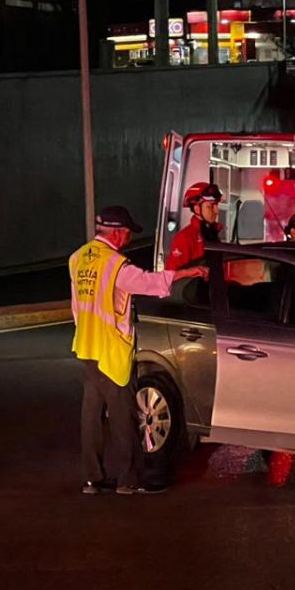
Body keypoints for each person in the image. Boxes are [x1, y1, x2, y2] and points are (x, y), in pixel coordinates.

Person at [70, 206, 207, 496]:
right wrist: (188, 272)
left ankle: (92, 480)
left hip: (86, 346)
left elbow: (77, 306)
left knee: (91, 417)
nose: (128, 239)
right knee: (123, 418)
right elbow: (149, 283)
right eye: (128, 233)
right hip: (113, 350)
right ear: (118, 232)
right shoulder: (116, 264)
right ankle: (127, 481)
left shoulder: (78, 259)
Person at [166, 182, 222, 270]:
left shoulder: (216, 233)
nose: (216, 211)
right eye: (210, 206)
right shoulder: (184, 238)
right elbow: (173, 276)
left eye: (216, 205)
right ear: (197, 208)